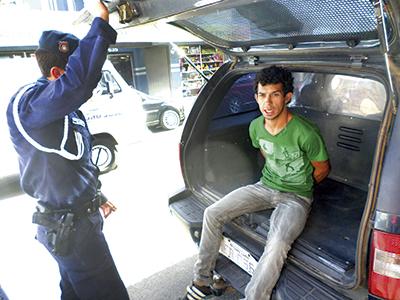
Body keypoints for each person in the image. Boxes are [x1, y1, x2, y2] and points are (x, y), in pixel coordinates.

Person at [6, 2, 130, 299]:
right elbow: (79, 82)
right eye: (72, 69)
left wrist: (96, 196)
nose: (91, 84)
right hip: (70, 231)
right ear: (57, 71)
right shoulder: (29, 105)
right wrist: (101, 21)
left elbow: (74, 162)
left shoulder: (62, 109)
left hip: (76, 223)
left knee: (74, 294)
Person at [184, 66, 330, 300]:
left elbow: (322, 168)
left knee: (277, 243)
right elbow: (265, 153)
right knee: (213, 213)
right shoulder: (255, 127)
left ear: (287, 98)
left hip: (296, 197)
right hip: (265, 187)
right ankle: (202, 280)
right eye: (262, 95)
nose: (268, 103)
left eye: (275, 95)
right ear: (256, 97)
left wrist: (300, 185)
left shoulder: (305, 132)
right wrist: (275, 178)